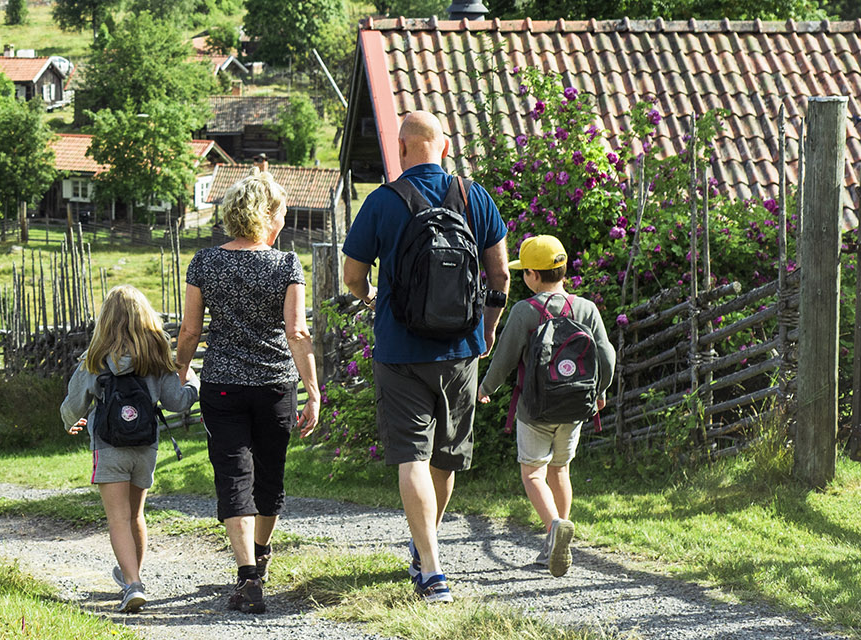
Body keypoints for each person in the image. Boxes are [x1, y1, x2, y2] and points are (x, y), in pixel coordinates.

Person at [341, 111, 509, 604]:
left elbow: (352, 275)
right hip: (460, 351)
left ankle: (431, 569)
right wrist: (487, 330)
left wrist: (370, 294)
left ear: (401, 149)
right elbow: (500, 275)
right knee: (445, 458)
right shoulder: (475, 197)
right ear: (445, 147)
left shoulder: (382, 201)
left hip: (399, 351)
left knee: (411, 456)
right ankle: (425, 547)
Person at [176, 169, 321, 615]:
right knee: (269, 474)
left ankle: (248, 576)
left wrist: (180, 368)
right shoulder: (286, 265)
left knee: (234, 476)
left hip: (222, 385)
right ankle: (260, 554)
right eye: (282, 211)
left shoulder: (204, 262)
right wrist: (313, 391)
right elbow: (297, 332)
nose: (284, 219)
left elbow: (190, 329)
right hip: (276, 386)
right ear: (267, 215)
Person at [477, 235, 616, 578]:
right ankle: (557, 539)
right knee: (560, 470)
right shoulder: (586, 309)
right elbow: (607, 355)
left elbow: (505, 358)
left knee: (533, 473)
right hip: (575, 407)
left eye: (524, 271)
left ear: (533, 276)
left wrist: (485, 387)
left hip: (535, 409)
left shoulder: (525, 311)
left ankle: (554, 527)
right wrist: (600, 390)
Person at [61, 285, 200, 614]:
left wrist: (69, 421)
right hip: (145, 447)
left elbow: (73, 405)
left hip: (108, 447)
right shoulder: (156, 356)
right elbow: (177, 402)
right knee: (136, 516)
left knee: (118, 519)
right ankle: (131, 577)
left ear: (105, 320)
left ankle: (133, 584)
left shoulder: (95, 358)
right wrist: (193, 382)